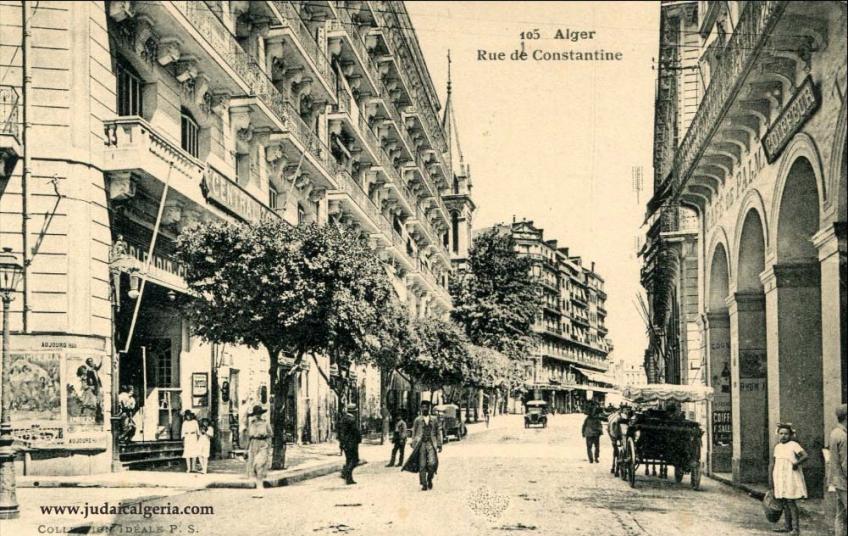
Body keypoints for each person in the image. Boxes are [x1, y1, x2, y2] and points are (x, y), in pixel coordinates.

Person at [770, 423, 808, 535]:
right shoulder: (777, 447)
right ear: (778, 434)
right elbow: (775, 463)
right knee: (784, 501)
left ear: (790, 435)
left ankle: (796, 529)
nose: (783, 436)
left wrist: (796, 463)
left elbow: (805, 456)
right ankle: (787, 526)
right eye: (781, 433)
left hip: (791, 476)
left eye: (786, 434)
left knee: (791, 501)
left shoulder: (793, 445)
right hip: (780, 476)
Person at [402, 400, 443, 491]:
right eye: (423, 407)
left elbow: (438, 433)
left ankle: (429, 478)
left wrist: (439, 444)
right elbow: (414, 432)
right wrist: (413, 442)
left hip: (431, 443)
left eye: (427, 407)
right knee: (422, 464)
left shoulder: (434, 419)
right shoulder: (417, 420)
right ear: (421, 408)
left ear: (429, 408)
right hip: (421, 444)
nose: (425, 409)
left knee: (432, 463)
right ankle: (424, 483)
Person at [828, 404, 847, 536]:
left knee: (840, 514)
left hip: (837, 480)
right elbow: (846, 463)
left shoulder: (835, 433)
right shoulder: (844, 436)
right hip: (844, 481)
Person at [245, 405, 272, 498]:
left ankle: (260, 490)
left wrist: (267, 442)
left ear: (261, 414)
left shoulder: (265, 423)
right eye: (256, 414)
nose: (258, 415)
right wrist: (246, 449)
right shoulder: (252, 423)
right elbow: (249, 437)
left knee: (259, 465)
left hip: (262, 445)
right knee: (255, 468)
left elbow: (270, 434)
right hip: (253, 445)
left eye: (259, 413)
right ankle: (259, 488)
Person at [338, 403, 361, 485]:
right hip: (352, 443)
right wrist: (359, 439)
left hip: (345, 443)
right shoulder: (351, 419)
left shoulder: (343, 418)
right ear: (353, 411)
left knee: (348, 460)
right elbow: (356, 432)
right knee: (355, 460)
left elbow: (340, 433)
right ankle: (346, 473)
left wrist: (341, 443)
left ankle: (349, 479)